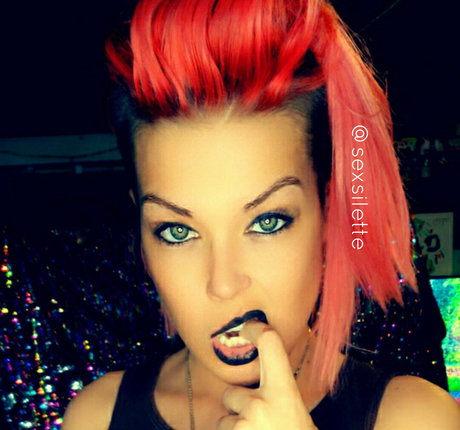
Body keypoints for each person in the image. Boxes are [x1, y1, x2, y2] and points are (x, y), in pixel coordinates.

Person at [62, 0, 460, 429]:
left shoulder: (419, 419)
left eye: (267, 222)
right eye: (177, 231)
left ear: (327, 211)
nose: (223, 286)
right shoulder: (96, 417)